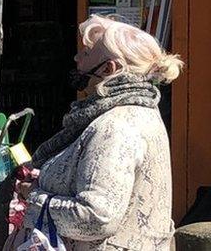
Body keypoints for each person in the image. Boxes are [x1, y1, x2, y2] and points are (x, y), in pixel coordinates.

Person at [16, 15, 182, 250]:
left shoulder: (116, 126)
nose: (76, 58)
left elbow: (96, 218)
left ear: (108, 68)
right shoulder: (139, 110)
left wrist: (32, 197)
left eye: (85, 53)